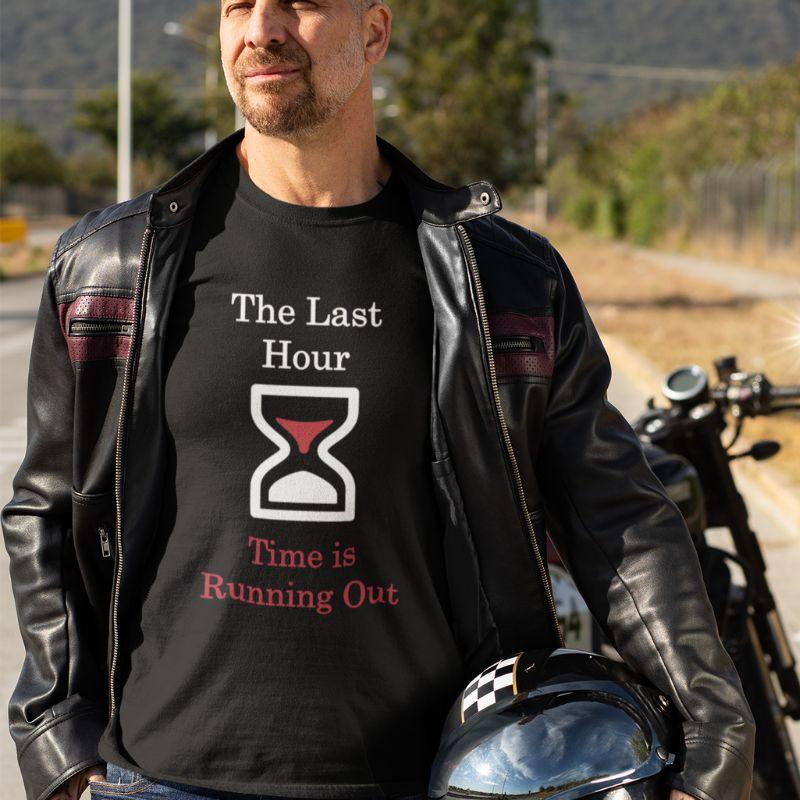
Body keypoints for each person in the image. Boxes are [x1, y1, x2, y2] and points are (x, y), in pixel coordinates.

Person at [1, 1, 755, 800]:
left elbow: (618, 519)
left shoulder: (504, 282)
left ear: (374, 31)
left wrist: (712, 732)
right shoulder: (112, 266)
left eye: (301, 4)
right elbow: (46, 511)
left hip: (441, 777)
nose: (262, 29)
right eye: (236, 7)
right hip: (156, 779)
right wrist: (61, 751)